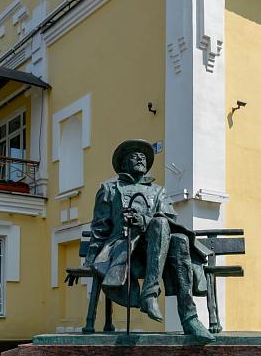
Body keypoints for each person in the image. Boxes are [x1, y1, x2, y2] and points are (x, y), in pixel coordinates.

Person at [84, 139, 215, 343]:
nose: (141, 158)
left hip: (155, 251)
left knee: (176, 237)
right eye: (134, 155)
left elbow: (170, 220)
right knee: (162, 225)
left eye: (144, 156)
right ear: (123, 163)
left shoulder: (158, 191)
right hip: (123, 248)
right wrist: (92, 258)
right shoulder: (110, 188)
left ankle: (188, 317)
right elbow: (99, 227)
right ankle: (151, 297)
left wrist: (144, 220)